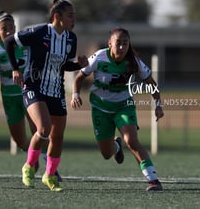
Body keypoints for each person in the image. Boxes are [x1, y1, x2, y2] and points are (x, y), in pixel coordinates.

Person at [4, 0, 88, 191]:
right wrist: (15, 69)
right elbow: (9, 42)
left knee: (57, 137)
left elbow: (65, 65)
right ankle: (28, 167)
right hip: (34, 87)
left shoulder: (70, 39)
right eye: (70, 15)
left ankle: (49, 176)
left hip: (56, 91)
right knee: (43, 129)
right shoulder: (40, 32)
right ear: (57, 16)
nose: (74, 19)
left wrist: (78, 65)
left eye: (74, 15)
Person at [70, 27, 164, 191]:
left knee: (131, 140)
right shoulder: (99, 57)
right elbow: (79, 78)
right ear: (110, 43)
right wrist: (75, 95)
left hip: (123, 106)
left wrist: (158, 105)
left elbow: (151, 83)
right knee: (107, 153)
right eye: (118, 43)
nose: (121, 47)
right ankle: (116, 147)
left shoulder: (133, 61)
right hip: (100, 108)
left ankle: (153, 179)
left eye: (125, 44)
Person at [0, 11, 62, 181]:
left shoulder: (25, 43)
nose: (8, 31)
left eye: (11, 27)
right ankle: (31, 158)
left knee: (40, 131)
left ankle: (50, 168)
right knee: (19, 140)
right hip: (10, 98)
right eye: (4, 29)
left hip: (29, 92)